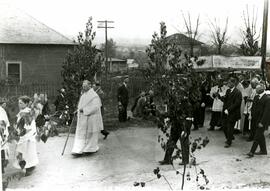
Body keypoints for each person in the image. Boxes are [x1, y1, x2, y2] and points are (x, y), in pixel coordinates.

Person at [71, 80, 104, 155]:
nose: (84, 87)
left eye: (85, 86)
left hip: (92, 117)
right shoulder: (83, 95)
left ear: (90, 86)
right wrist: (78, 110)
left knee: (91, 135)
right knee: (82, 135)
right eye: (83, 86)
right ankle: (78, 149)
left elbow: (95, 107)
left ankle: (91, 149)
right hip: (83, 118)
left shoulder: (94, 95)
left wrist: (84, 110)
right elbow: (81, 106)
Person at [13, 96, 39, 176]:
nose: (19, 105)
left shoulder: (27, 112)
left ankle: (30, 167)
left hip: (28, 136)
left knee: (28, 151)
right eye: (18, 103)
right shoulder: (22, 111)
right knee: (22, 151)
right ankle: (28, 166)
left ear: (26, 103)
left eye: (21, 103)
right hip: (22, 134)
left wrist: (23, 134)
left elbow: (29, 126)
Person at [247, 83, 270, 157]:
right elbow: (253, 108)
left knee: (257, 136)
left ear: (261, 89)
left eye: (257, 89)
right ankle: (264, 150)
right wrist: (251, 115)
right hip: (255, 119)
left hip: (262, 121)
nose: (255, 90)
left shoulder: (267, 99)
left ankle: (251, 152)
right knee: (260, 135)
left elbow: (266, 112)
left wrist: (262, 122)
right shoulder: (256, 97)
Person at [220, 77, 242, 148]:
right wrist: (220, 97)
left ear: (233, 83)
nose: (228, 84)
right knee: (224, 126)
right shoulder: (228, 91)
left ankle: (229, 142)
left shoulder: (238, 92)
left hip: (233, 113)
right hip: (226, 112)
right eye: (228, 82)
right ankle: (230, 137)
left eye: (229, 83)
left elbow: (237, 104)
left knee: (230, 128)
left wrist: (228, 110)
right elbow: (225, 100)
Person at [0, 102, 10, 174]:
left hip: (1, 133)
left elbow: (4, 123)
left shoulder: (1, 111)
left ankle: (2, 167)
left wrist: (3, 134)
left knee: (2, 150)